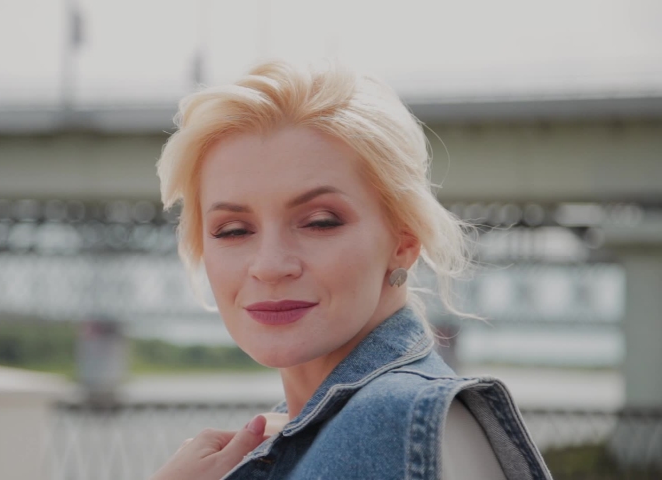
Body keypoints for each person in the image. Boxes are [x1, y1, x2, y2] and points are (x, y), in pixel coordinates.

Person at [151, 61, 551, 480]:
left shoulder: (389, 424)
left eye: (320, 222)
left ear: (403, 241)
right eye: (233, 230)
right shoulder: (322, 427)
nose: (269, 266)